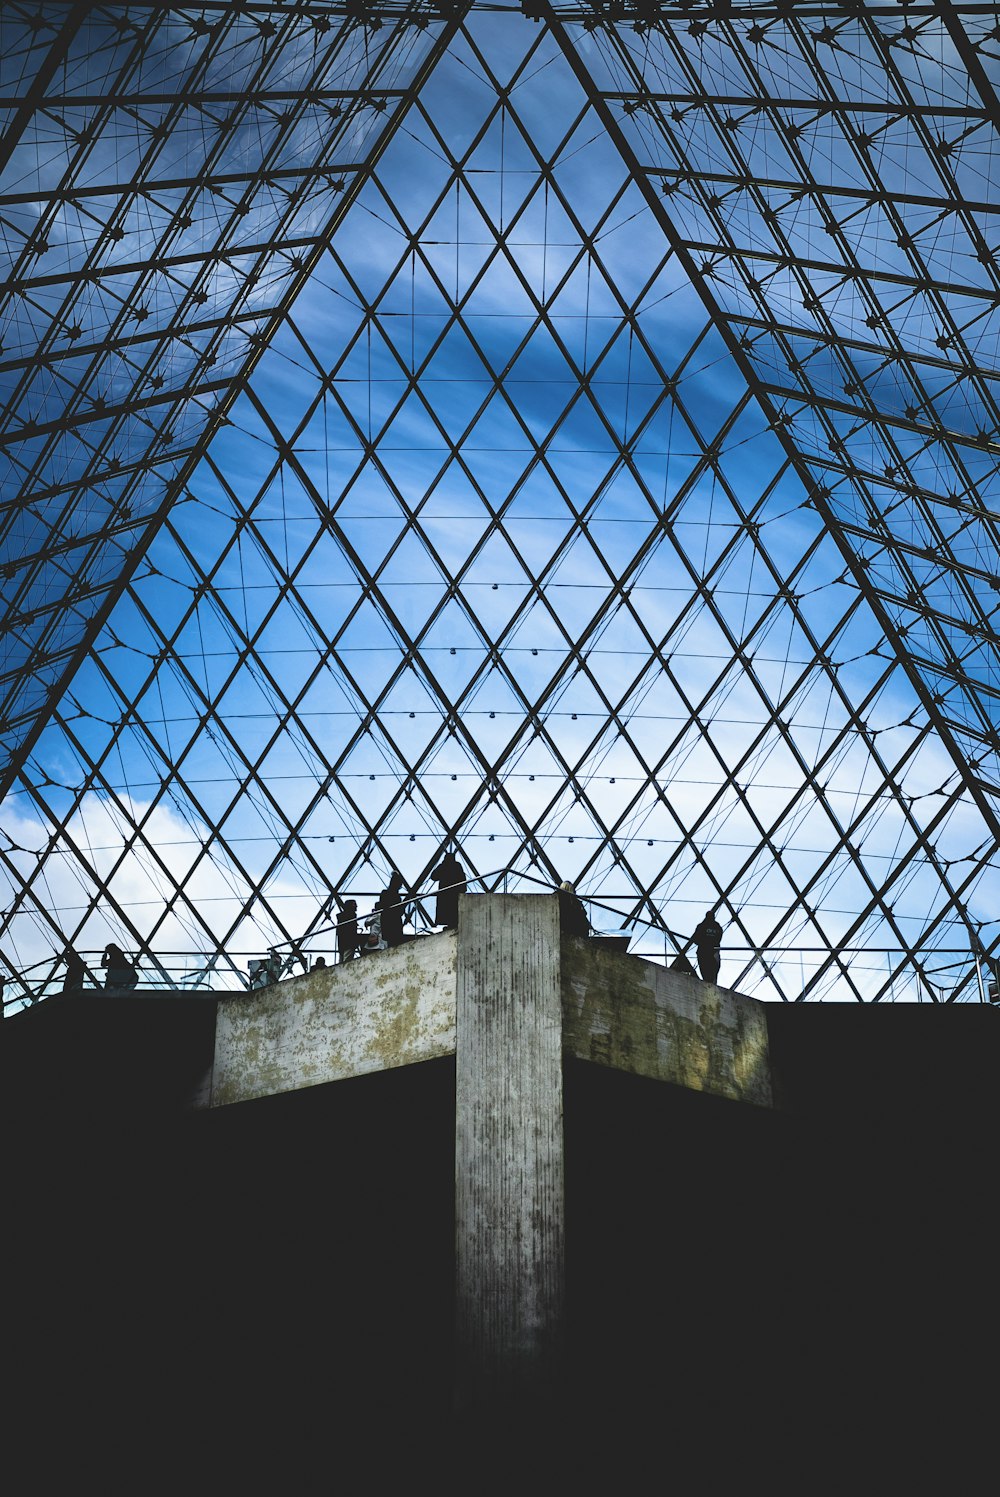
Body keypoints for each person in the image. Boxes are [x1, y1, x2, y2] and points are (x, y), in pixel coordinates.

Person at [430, 850, 466, 930]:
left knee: (445, 910)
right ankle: (453, 924)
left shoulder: (443, 866)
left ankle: (449, 925)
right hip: (455, 894)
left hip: (444, 893)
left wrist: (442, 865)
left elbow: (433, 877)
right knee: (453, 910)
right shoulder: (457, 866)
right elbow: (462, 879)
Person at [377, 872, 407, 947]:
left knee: (391, 944)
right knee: (396, 943)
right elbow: (399, 912)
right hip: (395, 923)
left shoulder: (385, 893)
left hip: (387, 923)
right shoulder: (397, 897)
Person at [692, 910, 723, 983]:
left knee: (705, 971)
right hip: (714, 951)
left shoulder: (701, 926)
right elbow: (719, 938)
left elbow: (695, 938)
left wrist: (703, 943)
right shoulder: (717, 926)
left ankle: (707, 982)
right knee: (713, 972)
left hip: (703, 951)